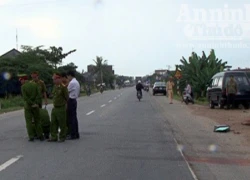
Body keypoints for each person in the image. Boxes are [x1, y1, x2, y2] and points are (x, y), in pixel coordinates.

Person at [19, 74, 44, 142]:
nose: (21, 82)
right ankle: (40, 136)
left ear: (24, 80)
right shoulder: (35, 85)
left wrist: (31, 103)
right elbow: (39, 95)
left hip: (28, 106)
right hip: (35, 106)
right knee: (37, 121)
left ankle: (31, 136)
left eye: (21, 80)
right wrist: (35, 103)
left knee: (29, 122)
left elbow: (25, 98)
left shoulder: (23, 87)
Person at [48, 73, 68, 142]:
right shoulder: (55, 87)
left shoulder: (63, 87)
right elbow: (53, 95)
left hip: (61, 107)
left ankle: (62, 136)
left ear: (58, 79)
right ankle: (54, 136)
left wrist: (66, 105)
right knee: (53, 122)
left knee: (62, 123)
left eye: (54, 79)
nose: (53, 81)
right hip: (55, 107)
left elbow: (67, 97)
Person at [66, 70, 80, 140]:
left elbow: (66, 91)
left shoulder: (72, 83)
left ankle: (72, 134)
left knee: (71, 118)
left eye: (67, 76)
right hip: (74, 100)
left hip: (71, 100)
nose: (67, 78)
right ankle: (76, 133)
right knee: (74, 118)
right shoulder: (76, 82)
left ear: (70, 75)